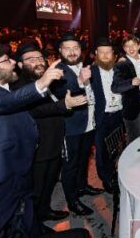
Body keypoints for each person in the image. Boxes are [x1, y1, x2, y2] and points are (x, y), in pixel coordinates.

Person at [0, 41, 63, 189]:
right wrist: (41, 84)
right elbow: (0, 103)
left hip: (20, 162)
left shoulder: (1, 86)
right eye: (7, 60)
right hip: (2, 169)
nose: (14, 62)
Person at [13, 42, 86, 221]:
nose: (38, 62)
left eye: (40, 58)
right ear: (20, 64)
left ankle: (44, 211)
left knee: (50, 182)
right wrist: (64, 105)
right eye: (31, 59)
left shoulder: (47, 80)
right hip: (39, 147)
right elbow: (33, 110)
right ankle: (33, 224)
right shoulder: (19, 85)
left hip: (55, 142)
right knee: (36, 188)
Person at [49, 32, 100, 217]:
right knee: (70, 165)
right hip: (70, 127)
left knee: (84, 158)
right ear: (60, 50)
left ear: (81, 50)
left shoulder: (86, 66)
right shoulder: (57, 70)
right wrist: (80, 81)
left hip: (88, 123)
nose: (72, 52)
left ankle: (82, 186)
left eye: (75, 48)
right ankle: (72, 202)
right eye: (67, 48)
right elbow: (60, 91)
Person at [89, 38, 124, 193]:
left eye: (107, 52)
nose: (104, 55)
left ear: (113, 54)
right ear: (96, 54)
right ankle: (106, 178)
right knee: (102, 150)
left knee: (115, 147)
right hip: (101, 117)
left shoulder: (119, 69)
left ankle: (113, 172)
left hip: (118, 115)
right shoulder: (91, 72)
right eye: (101, 52)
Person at [113, 35, 140, 142]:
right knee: (133, 141)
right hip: (132, 108)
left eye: (133, 45)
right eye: (127, 46)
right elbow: (115, 87)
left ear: (139, 45)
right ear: (124, 48)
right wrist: (130, 83)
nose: (131, 48)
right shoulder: (122, 64)